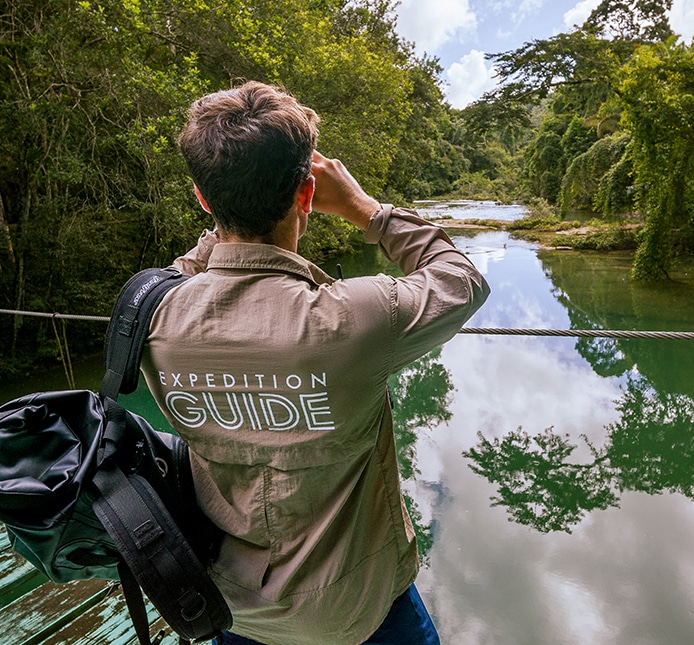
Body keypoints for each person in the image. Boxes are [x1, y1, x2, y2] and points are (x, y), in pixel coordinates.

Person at [141, 81, 489, 645]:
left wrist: (229, 207)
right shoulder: (354, 318)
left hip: (232, 609)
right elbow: (461, 279)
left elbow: (185, 268)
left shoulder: (152, 315)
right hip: (363, 614)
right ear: (307, 195)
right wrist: (366, 210)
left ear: (203, 199)